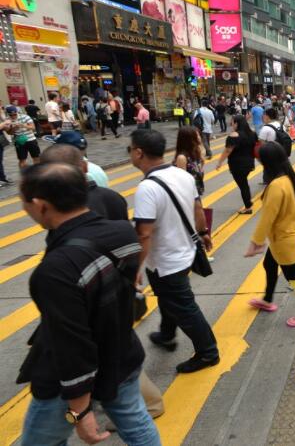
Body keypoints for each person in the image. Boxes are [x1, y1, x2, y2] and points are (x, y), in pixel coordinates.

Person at [16, 163, 161, 445]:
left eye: (25, 203)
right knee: (137, 424)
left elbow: (72, 346)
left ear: (40, 205)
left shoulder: (55, 270)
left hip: (68, 383)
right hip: (123, 354)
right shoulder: (122, 231)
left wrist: (80, 413)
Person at [130, 129, 219, 373]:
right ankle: (167, 334)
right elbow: (198, 208)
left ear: (139, 153)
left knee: (185, 306)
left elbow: (144, 233)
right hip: (185, 251)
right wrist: (203, 233)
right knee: (171, 298)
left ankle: (208, 352)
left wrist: (136, 268)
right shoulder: (182, 175)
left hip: (165, 260)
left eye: (130, 149)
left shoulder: (147, 188)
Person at [244, 142, 295, 326]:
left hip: (284, 240)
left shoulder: (277, 185)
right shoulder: (288, 178)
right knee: (269, 264)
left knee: (294, 278)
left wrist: (256, 242)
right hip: (285, 236)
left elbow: (267, 217)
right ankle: (267, 299)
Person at [216, 115, 256, 214]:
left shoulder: (234, 135)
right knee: (244, 183)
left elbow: (228, 150)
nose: (231, 124)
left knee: (243, 185)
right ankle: (248, 204)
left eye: (232, 122)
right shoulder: (252, 134)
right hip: (249, 163)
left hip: (237, 165)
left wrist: (220, 162)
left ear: (237, 123)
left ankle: (248, 206)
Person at [174, 126, 205, 196]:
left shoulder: (195, 153)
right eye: (196, 135)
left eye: (199, 135)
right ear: (188, 139)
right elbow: (182, 182)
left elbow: (199, 172)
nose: (199, 137)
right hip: (188, 195)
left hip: (196, 191)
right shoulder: (182, 158)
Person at [6, 105, 40, 169]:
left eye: (15, 114)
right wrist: (14, 128)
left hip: (31, 139)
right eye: (11, 115)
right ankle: (23, 175)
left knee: (36, 157)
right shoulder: (7, 120)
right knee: (22, 159)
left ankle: (37, 173)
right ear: (8, 114)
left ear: (17, 112)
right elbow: (9, 133)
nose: (13, 116)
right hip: (19, 141)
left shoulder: (25, 117)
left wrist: (23, 125)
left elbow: (33, 128)